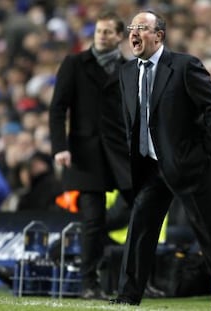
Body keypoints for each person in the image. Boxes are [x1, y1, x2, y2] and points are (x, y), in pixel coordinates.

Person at [111, 10, 211, 310]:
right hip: (150, 168)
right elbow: (130, 120)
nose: (134, 32)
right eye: (132, 28)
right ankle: (128, 295)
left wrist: (206, 154)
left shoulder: (184, 66)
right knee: (140, 229)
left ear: (158, 35)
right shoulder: (127, 72)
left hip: (189, 166)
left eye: (142, 28)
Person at [49, 11, 133, 300]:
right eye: (99, 31)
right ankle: (89, 282)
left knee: (140, 210)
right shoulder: (75, 63)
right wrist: (60, 146)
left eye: (109, 32)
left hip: (121, 153)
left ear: (120, 36)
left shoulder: (128, 68)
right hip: (85, 154)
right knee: (93, 218)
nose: (102, 36)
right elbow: (58, 108)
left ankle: (136, 279)